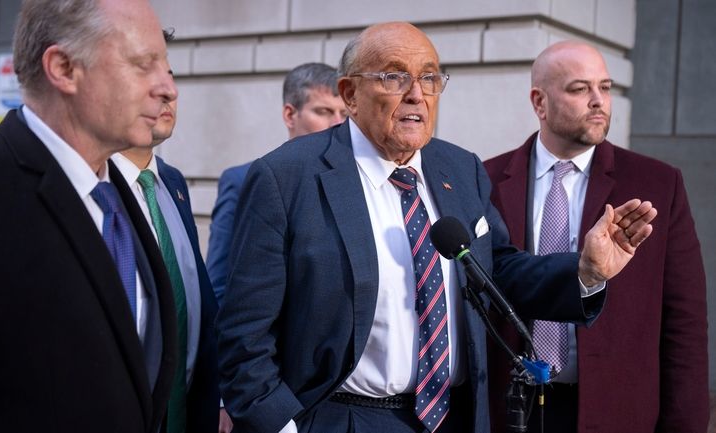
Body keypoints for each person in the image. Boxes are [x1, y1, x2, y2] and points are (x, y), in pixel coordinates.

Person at [215, 22, 657, 433]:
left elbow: (495, 270)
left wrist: (586, 272)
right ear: (349, 94)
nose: (416, 94)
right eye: (393, 77)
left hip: (454, 416)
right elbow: (244, 335)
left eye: (429, 78)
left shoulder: (460, 168)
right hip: (343, 417)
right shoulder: (288, 177)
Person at [0, 1, 179, 432]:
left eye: (166, 67)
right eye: (144, 65)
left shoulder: (121, 197)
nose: (168, 88)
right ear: (64, 67)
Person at [484, 41, 708, 433]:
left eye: (604, 87)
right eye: (579, 89)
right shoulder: (483, 179)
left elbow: (684, 321)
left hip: (614, 412)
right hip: (509, 411)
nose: (598, 100)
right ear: (540, 102)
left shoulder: (657, 183)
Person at [111, 29, 222, 433]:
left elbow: (197, 302)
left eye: (172, 76)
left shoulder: (172, 184)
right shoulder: (93, 191)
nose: (168, 92)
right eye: (145, 76)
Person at [206, 62, 347, 303]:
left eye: (343, 114)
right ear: (290, 115)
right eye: (323, 111)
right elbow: (219, 285)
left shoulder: (353, 183)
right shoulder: (243, 180)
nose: (337, 123)